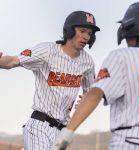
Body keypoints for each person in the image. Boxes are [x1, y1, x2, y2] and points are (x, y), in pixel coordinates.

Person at [53, 1, 139, 150]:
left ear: (131, 27)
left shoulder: (121, 56)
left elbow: (95, 94)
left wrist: (66, 133)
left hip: (129, 141)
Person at [0, 11, 100, 150]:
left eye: (89, 33)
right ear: (70, 30)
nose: (86, 37)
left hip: (62, 131)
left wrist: (84, 101)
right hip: (40, 126)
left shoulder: (88, 62)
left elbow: (90, 94)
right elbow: (12, 61)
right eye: (82, 31)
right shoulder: (48, 50)